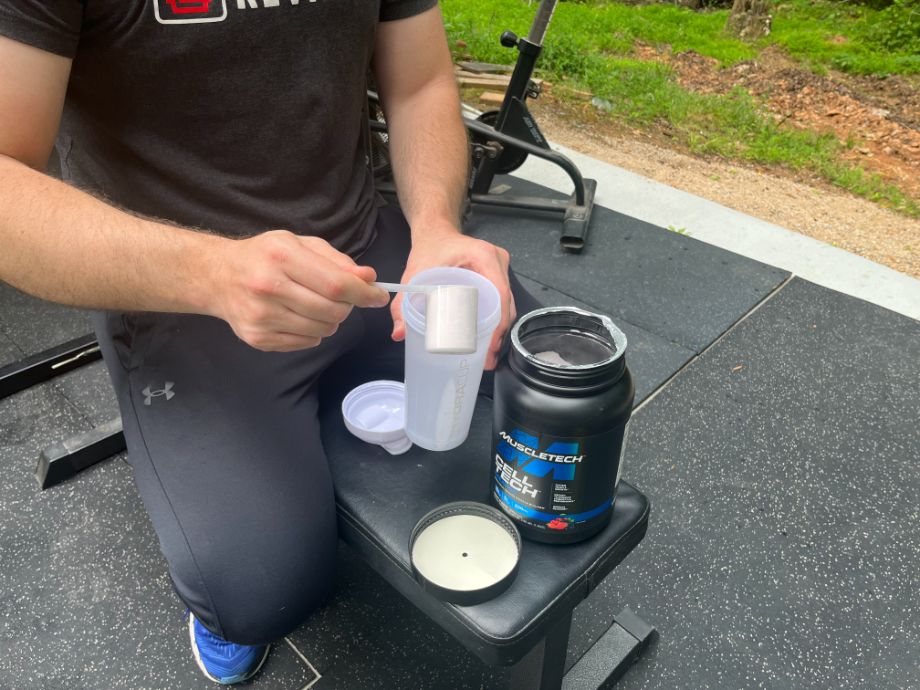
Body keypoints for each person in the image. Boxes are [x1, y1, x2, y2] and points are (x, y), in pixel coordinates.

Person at [0, 0, 541, 684]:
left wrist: (434, 227)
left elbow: (420, 82)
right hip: (186, 292)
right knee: (259, 588)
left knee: (551, 378)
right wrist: (211, 273)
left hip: (369, 256)